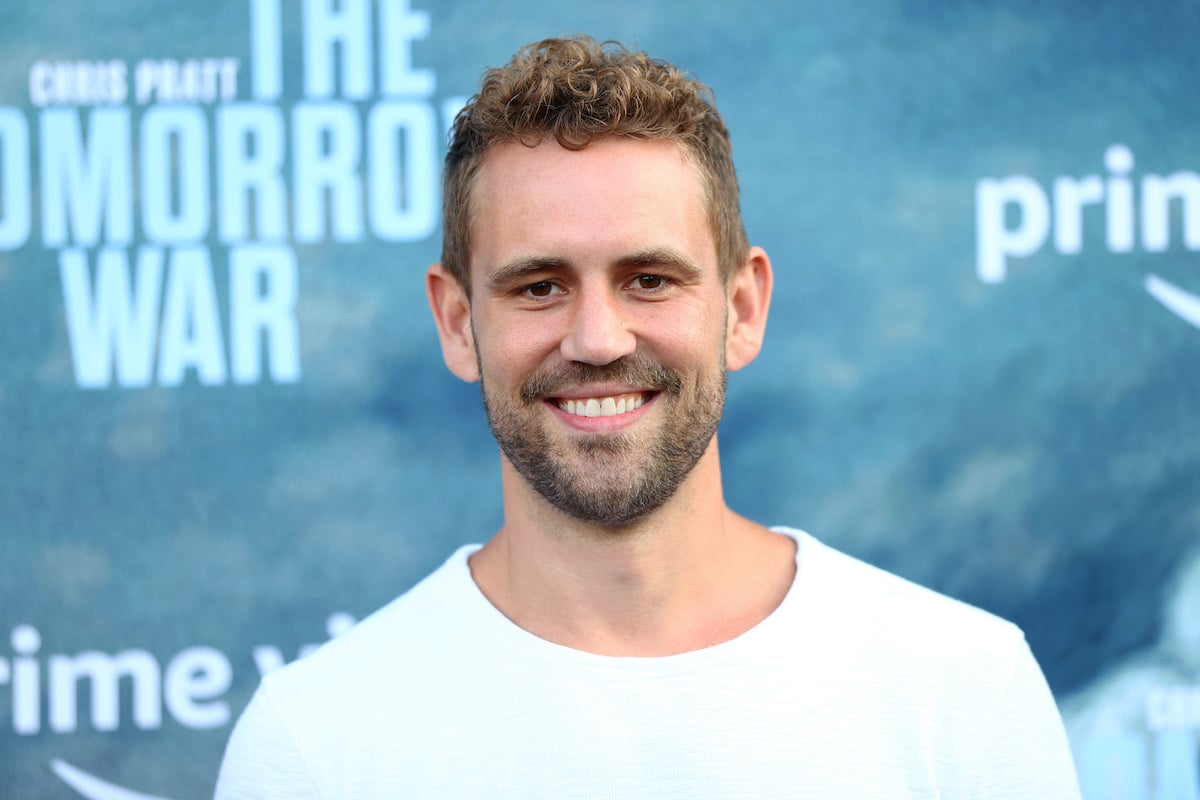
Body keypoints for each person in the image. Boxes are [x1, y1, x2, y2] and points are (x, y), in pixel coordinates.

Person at [214, 35, 1081, 798]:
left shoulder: (962, 694)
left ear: (742, 309)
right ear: (456, 323)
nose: (597, 339)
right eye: (540, 286)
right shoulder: (318, 747)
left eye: (650, 279)